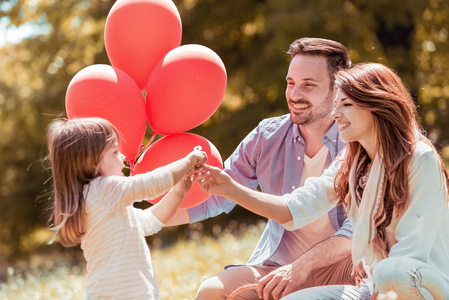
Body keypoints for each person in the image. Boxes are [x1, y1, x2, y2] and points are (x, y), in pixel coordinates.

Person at [195, 63, 449, 299]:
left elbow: (409, 257)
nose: (335, 113)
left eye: (346, 105)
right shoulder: (352, 162)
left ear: (376, 105)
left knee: (389, 274)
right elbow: (294, 208)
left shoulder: (419, 160)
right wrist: (229, 188)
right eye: (335, 104)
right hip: (374, 286)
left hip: (419, 285)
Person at [168, 37, 355, 299]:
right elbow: (215, 195)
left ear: (338, 89)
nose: (295, 94)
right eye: (290, 83)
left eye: (308, 85)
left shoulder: (357, 142)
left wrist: (303, 267)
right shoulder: (267, 136)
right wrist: (147, 219)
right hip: (278, 267)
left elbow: (358, 231)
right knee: (211, 292)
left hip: (347, 268)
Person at [45, 117, 207, 299]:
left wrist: (179, 191)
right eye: (114, 152)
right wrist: (188, 160)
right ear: (91, 162)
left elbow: (148, 222)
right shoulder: (102, 189)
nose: (122, 157)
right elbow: (152, 183)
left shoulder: (98, 199)